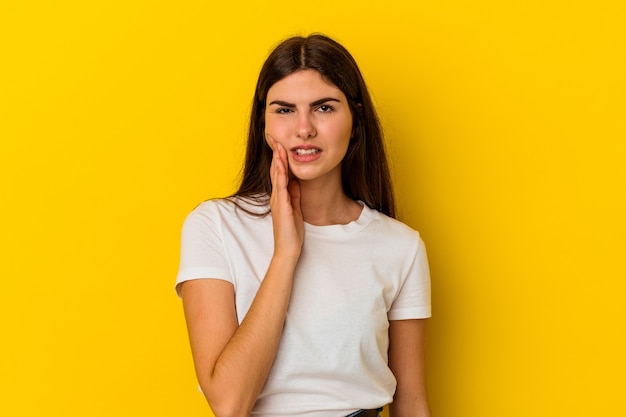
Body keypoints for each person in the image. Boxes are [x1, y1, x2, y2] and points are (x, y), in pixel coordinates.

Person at [176, 34, 432, 417]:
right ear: (263, 123)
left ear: (355, 119)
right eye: (284, 110)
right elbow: (229, 404)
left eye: (324, 108)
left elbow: (411, 401)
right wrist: (286, 252)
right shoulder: (215, 227)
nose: (304, 128)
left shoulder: (400, 246)